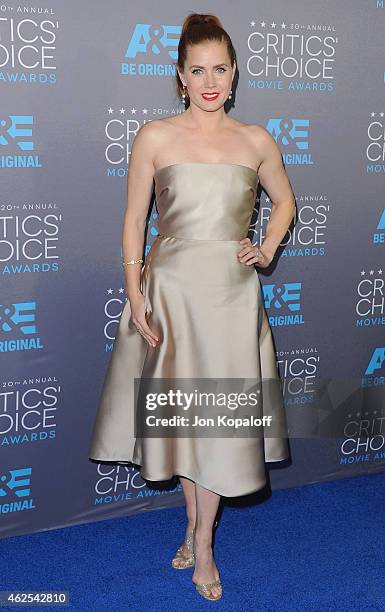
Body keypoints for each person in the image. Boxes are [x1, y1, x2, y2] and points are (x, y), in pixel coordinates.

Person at [89, 12, 296, 602]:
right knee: (184, 422)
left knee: (220, 425)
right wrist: (134, 292)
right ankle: (194, 524)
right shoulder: (155, 136)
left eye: (220, 69)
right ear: (180, 75)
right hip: (172, 294)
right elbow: (134, 219)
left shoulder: (256, 140)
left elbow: (285, 202)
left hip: (231, 297)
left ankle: (203, 541)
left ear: (234, 75)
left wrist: (267, 245)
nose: (210, 81)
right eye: (197, 70)